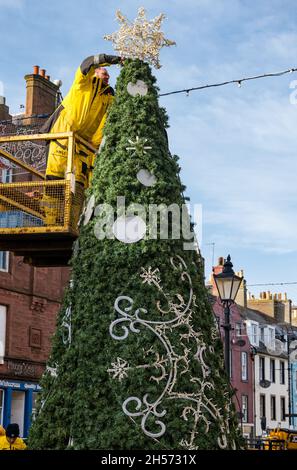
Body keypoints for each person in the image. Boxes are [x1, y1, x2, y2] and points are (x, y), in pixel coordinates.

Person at [44, 53, 123, 189]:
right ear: (95, 72)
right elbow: (87, 63)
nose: (108, 76)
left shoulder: (107, 97)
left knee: (77, 189)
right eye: (104, 73)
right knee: (55, 180)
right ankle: (51, 211)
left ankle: (71, 210)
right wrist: (114, 60)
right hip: (62, 136)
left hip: (83, 145)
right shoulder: (83, 82)